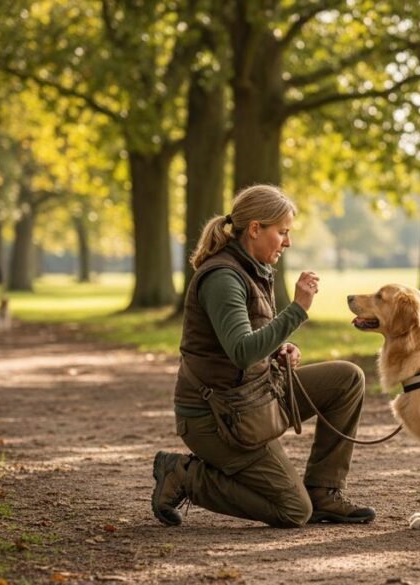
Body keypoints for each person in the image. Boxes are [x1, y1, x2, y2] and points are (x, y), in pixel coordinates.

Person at [151, 184, 375, 528]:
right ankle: (184, 476)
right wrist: (297, 309)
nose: (287, 242)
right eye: (282, 232)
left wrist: (277, 349)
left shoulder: (251, 269)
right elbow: (241, 352)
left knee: (347, 379)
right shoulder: (223, 278)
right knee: (294, 511)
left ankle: (325, 492)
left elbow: (247, 341)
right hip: (217, 417)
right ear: (255, 228)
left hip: (255, 395)